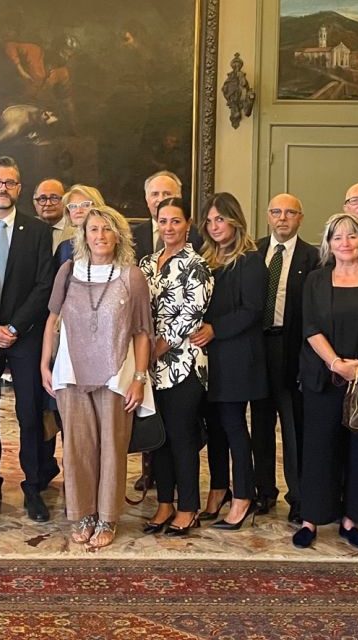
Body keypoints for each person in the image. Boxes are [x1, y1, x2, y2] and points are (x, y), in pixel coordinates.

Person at [41, 205, 153, 549]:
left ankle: (107, 517)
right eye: (93, 230)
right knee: (77, 448)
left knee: (112, 448)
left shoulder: (131, 275)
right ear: (83, 235)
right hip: (70, 373)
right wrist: (45, 363)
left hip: (116, 374)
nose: (100, 236)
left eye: (106, 229)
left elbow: (141, 332)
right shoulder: (68, 270)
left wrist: (138, 377)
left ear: (118, 234)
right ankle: (83, 513)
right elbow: (52, 320)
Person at [0, 157, 58, 521]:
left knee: (30, 414)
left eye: (10, 182)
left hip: (26, 336)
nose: (3, 188)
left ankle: (33, 486)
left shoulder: (37, 231)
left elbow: (44, 286)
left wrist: (15, 328)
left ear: (19, 188)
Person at [295, 213, 358, 550]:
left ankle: (352, 519)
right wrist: (336, 362)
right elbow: (310, 327)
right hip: (323, 375)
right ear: (328, 244)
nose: (345, 243)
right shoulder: (317, 280)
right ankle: (311, 519)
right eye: (337, 238)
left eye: (351, 236)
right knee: (319, 448)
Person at [189, 193, 267, 529]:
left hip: (236, 356)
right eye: (209, 220)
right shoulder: (205, 257)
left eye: (220, 219)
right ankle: (219, 488)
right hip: (208, 357)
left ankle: (244, 495)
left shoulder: (250, 260)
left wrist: (214, 330)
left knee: (234, 428)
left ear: (235, 219)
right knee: (215, 428)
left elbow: (252, 310)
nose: (214, 226)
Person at [138, 197, 212, 536]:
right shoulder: (147, 263)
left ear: (188, 224)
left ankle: (188, 508)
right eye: (163, 221)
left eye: (175, 221)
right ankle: (165, 503)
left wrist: (159, 346)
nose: (169, 227)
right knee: (160, 438)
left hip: (183, 363)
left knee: (182, 438)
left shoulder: (197, 265)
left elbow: (191, 313)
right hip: (150, 364)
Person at [250, 193, 318, 524]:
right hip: (256, 349)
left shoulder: (313, 257)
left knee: (293, 428)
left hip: (290, 350)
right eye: (276, 212)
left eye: (290, 213)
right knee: (260, 425)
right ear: (267, 216)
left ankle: (299, 497)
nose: (282, 218)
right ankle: (263, 492)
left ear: (300, 218)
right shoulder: (253, 251)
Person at [131, 171, 200, 259]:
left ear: (179, 197)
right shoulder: (133, 236)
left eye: (167, 194)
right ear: (147, 199)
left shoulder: (199, 236)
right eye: (155, 194)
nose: (160, 199)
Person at [54, 184, 105, 265]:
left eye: (85, 205)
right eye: (73, 206)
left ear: (98, 207)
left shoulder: (107, 242)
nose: (78, 210)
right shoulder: (64, 247)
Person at [32, 178, 71, 252]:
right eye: (42, 199)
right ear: (35, 203)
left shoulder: (78, 230)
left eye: (54, 198)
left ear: (66, 200)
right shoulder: (27, 229)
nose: (48, 204)